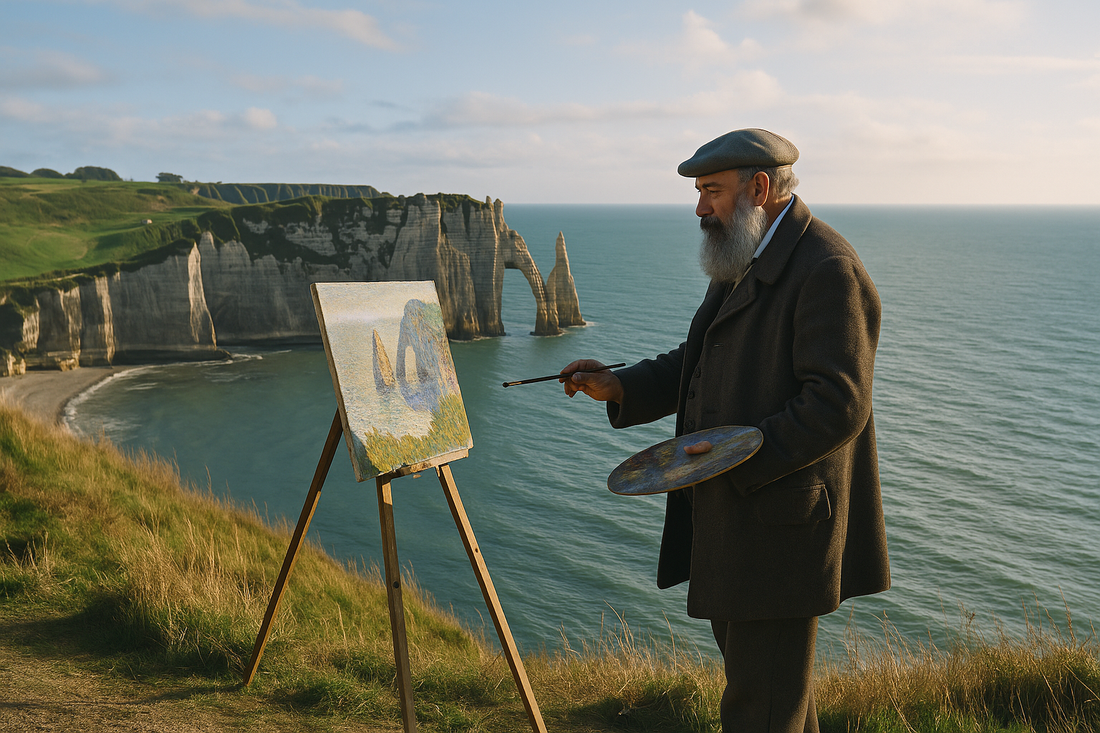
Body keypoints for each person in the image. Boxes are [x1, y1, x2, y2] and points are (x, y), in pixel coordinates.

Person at [560, 128, 890, 732]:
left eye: (711, 191)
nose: (699, 208)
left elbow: (839, 403)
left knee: (758, 708)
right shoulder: (752, 253)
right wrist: (622, 385)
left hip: (781, 531)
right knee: (773, 700)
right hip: (738, 519)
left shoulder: (827, 268)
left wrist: (738, 452)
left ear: (758, 188)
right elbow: (700, 358)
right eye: (700, 193)